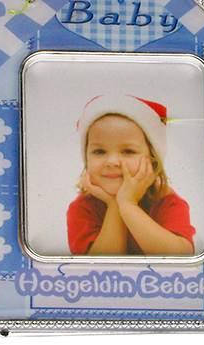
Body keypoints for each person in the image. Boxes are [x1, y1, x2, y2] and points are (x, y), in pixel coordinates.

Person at [66, 94, 195, 256]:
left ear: (153, 160)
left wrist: (128, 204)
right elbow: (99, 266)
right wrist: (115, 206)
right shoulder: (83, 208)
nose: (112, 162)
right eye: (99, 151)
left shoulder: (167, 202)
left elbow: (180, 257)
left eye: (128, 151)